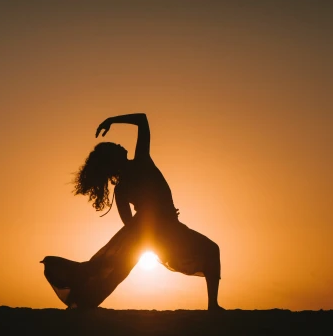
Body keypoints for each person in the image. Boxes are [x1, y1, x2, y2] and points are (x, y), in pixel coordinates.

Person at [41, 113, 223, 311]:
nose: (119, 146)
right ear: (113, 160)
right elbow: (142, 120)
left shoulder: (122, 187)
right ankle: (212, 306)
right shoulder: (141, 162)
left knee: (114, 271)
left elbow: (129, 223)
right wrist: (111, 120)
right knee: (211, 250)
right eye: (114, 147)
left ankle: (81, 295)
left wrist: (158, 220)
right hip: (161, 231)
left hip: (154, 232)